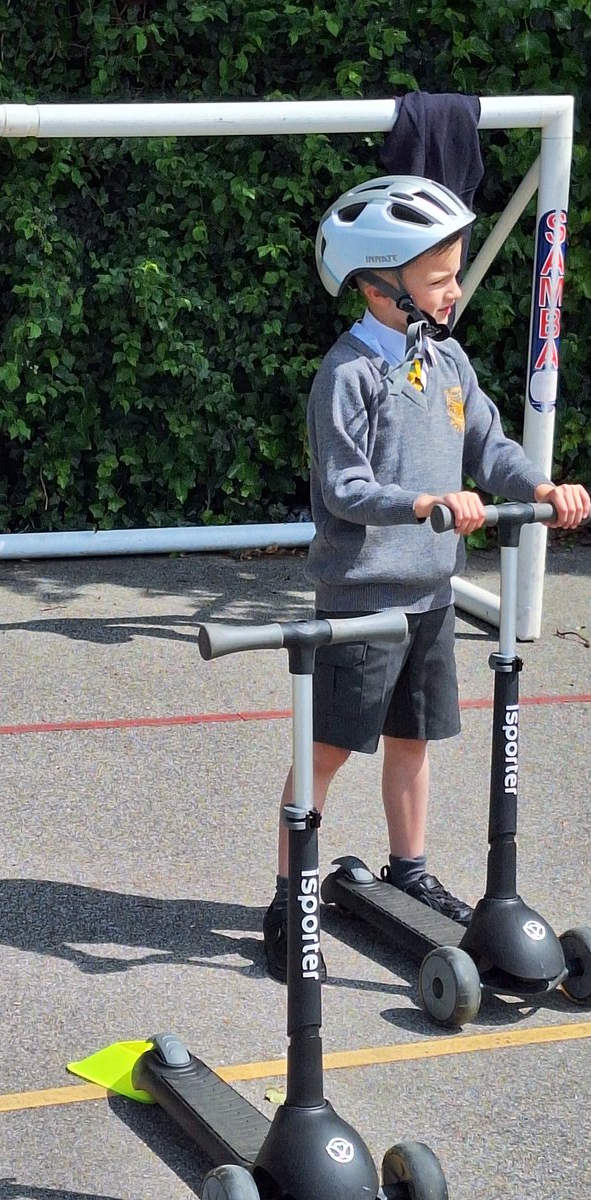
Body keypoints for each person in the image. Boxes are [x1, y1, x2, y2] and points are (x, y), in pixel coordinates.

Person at [262, 175, 590, 983]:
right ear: (379, 283)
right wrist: (425, 503)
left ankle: (409, 868)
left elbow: (492, 449)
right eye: (439, 277)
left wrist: (539, 488)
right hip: (363, 603)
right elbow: (344, 489)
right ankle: (287, 893)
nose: (454, 290)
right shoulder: (348, 376)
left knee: (414, 741)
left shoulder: (445, 363)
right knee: (329, 747)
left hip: (431, 597)